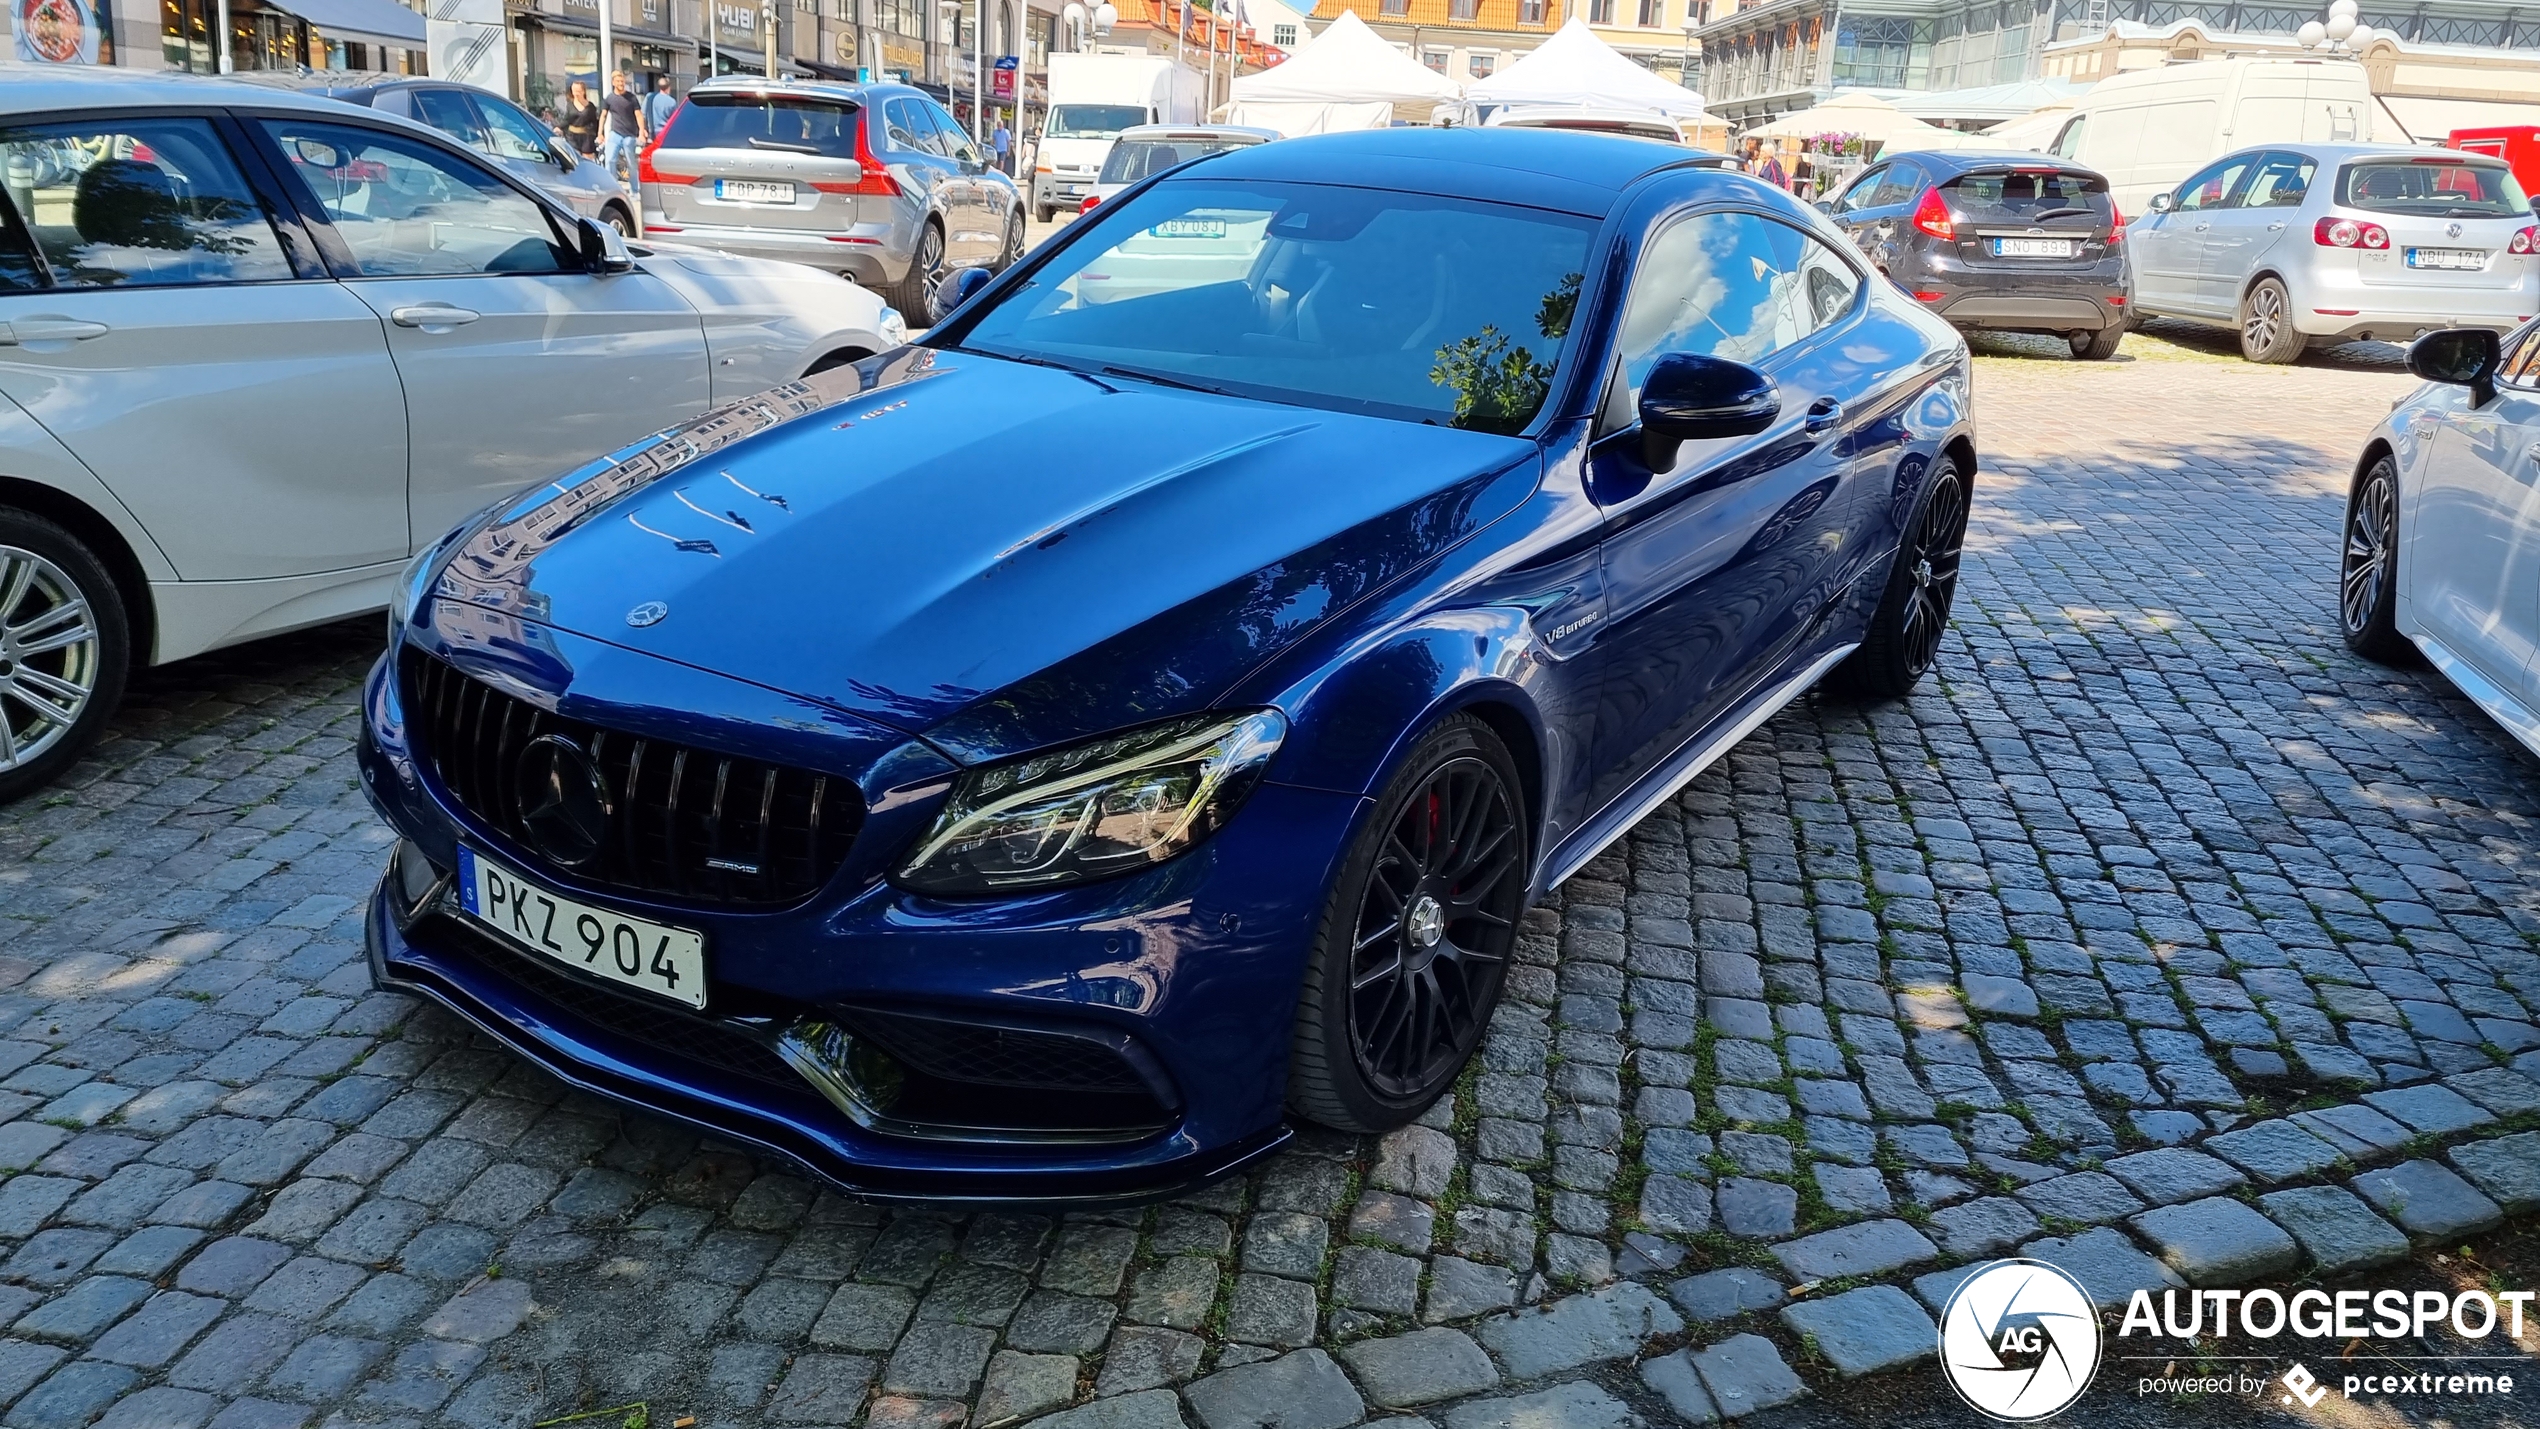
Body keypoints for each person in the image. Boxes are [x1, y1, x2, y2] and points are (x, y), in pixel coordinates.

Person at [601, 71, 646, 186]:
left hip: (629, 135)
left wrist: (641, 131)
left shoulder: (631, 98)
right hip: (615, 133)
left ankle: (635, 189)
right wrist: (600, 133)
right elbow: (603, 115)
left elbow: (638, 115)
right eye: (618, 81)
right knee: (610, 160)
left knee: (631, 163)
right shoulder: (609, 98)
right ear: (613, 83)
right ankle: (612, 186)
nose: (621, 83)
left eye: (622, 81)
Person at [558, 80, 600, 159]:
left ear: (583, 91)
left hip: (586, 137)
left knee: (587, 159)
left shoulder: (590, 107)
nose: (576, 94)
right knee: (574, 157)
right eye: (574, 91)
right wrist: (559, 127)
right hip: (572, 137)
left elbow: (595, 123)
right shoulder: (570, 105)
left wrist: (598, 135)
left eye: (578, 91)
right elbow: (567, 120)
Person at [642, 75, 677, 139]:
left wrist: (643, 129)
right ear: (669, 87)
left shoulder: (649, 97)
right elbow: (674, 119)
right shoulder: (672, 101)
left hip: (651, 132)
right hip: (666, 132)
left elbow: (643, 114)